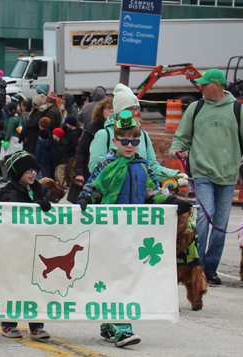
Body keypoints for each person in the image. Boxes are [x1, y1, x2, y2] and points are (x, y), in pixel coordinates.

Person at [78, 110, 192, 348]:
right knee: (118, 276)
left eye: (135, 141)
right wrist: (85, 200)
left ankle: (110, 324)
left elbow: (152, 193)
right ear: (116, 141)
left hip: (136, 232)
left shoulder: (142, 165)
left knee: (125, 276)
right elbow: (92, 189)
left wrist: (173, 202)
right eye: (125, 141)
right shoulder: (106, 165)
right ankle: (122, 327)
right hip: (110, 230)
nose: (130, 145)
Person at [169, 68, 243, 285]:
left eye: (204, 83)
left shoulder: (237, 109)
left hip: (228, 175)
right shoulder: (196, 108)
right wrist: (176, 151)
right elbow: (180, 139)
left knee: (221, 224)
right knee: (205, 215)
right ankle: (197, 265)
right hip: (201, 173)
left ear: (217, 85)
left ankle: (210, 268)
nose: (200, 87)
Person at [0, 150, 51, 340]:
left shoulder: (41, 189)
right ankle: (8, 324)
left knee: (37, 286)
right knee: (13, 285)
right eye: (27, 170)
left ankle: (36, 326)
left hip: (38, 247)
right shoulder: (8, 192)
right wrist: (37, 204)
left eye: (35, 170)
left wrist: (46, 203)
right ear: (16, 173)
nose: (33, 174)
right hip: (16, 247)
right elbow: (13, 212)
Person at [68, 97, 113, 203]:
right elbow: (81, 150)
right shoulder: (92, 129)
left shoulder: (118, 129)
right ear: (100, 111)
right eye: (108, 108)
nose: (111, 111)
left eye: (113, 108)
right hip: (90, 172)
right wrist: (79, 173)